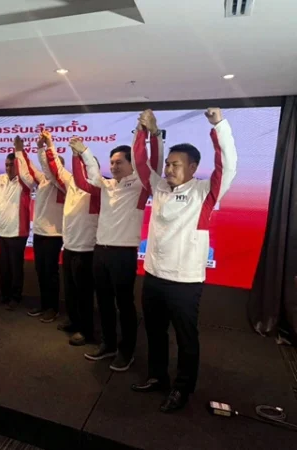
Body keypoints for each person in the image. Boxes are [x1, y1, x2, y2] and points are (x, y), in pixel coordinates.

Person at [130, 108, 237, 413]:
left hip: (185, 282)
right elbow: (140, 163)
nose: (168, 168)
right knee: (154, 332)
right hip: (154, 276)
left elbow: (227, 165)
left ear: (193, 167)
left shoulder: (205, 192)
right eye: (167, 163)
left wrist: (219, 126)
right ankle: (157, 376)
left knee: (186, 339)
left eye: (175, 164)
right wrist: (144, 131)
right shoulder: (159, 187)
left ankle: (182, 388)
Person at [69, 115, 163, 372]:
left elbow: (152, 163)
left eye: (119, 162)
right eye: (111, 162)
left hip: (123, 254)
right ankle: (108, 344)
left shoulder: (141, 185)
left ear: (132, 164)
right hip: (100, 251)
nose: (114, 166)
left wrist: (147, 134)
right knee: (104, 302)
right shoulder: (106, 185)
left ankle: (126, 350)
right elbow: (86, 179)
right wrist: (81, 154)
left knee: (124, 304)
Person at [43, 131, 101, 346]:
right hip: (69, 247)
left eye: (86, 166)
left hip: (87, 250)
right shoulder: (71, 185)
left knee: (84, 294)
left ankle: (86, 331)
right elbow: (56, 168)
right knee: (71, 290)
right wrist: (49, 145)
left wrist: (82, 154)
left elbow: (91, 174)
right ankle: (74, 320)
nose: (81, 171)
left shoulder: (98, 187)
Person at [0, 138, 33, 310]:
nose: (9, 168)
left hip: (17, 233)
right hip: (2, 232)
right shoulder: (1, 179)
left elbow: (26, 173)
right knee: (3, 267)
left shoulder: (24, 183)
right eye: (7, 165)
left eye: (12, 165)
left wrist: (19, 151)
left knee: (16, 268)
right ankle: (4, 295)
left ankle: (15, 298)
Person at [15, 137, 65, 322]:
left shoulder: (62, 182)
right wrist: (20, 151)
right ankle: (44, 305)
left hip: (54, 234)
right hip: (39, 233)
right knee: (41, 271)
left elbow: (49, 167)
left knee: (50, 273)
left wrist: (44, 149)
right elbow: (27, 170)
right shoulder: (43, 180)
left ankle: (53, 308)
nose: (48, 169)